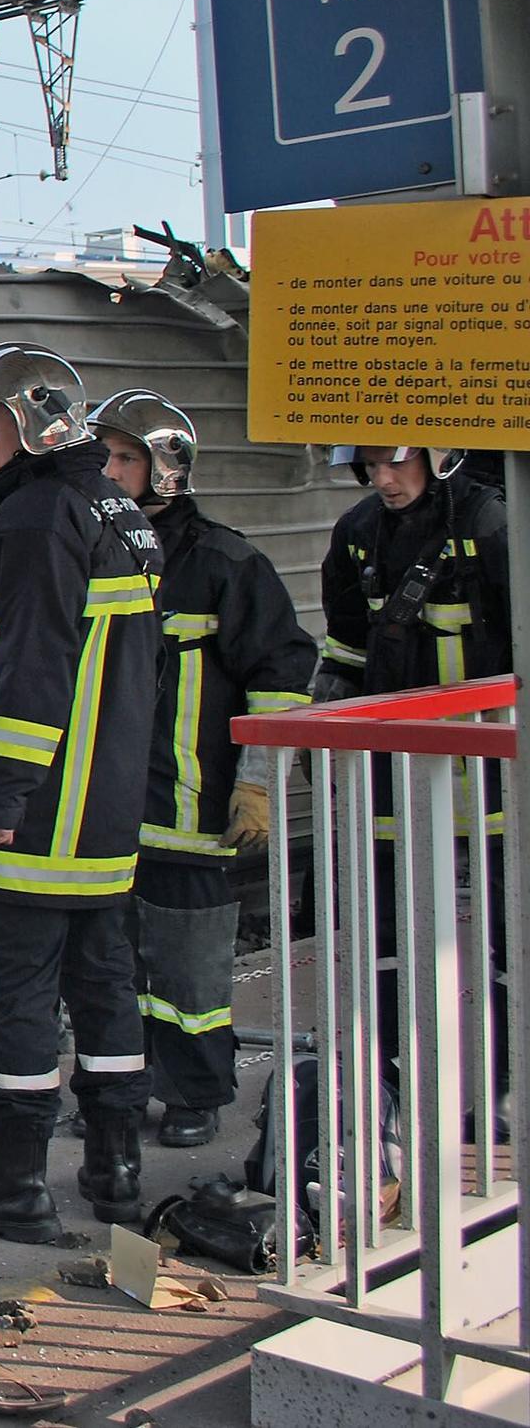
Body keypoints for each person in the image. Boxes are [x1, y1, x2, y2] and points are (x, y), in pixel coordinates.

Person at [0, 344, 165, 1244]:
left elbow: (31, 665)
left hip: (41, 815)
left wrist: (1, 793)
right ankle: (115, 1167)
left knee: (15, 992)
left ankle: (14, 1184)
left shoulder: (33, 516)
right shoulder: (118, 509)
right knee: (106, 988)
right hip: (105, 809)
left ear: (31, 424)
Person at [89, 390, 317, 1149]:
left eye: (125, 457)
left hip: (189, 808)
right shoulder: (88, 548)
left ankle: (194, 1094)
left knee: (189, 976)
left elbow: (283, 673)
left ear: (167, 471)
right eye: (105, 455)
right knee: (107, 966)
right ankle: (117, 1089)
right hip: (103, 811)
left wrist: (257, 780)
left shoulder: (223, 561)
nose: (109, 470)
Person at [316, 444, 512, 1078]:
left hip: (492, 773)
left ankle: (507, 1079)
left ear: (439, 457)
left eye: (396, 464)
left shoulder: (491, 525)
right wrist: (323, 736)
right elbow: (345, 649)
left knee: (507, 936)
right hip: (393, 772)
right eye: (370, 466)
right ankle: (395, 1075)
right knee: (388, 934)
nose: (383, 479)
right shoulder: (357, 533)